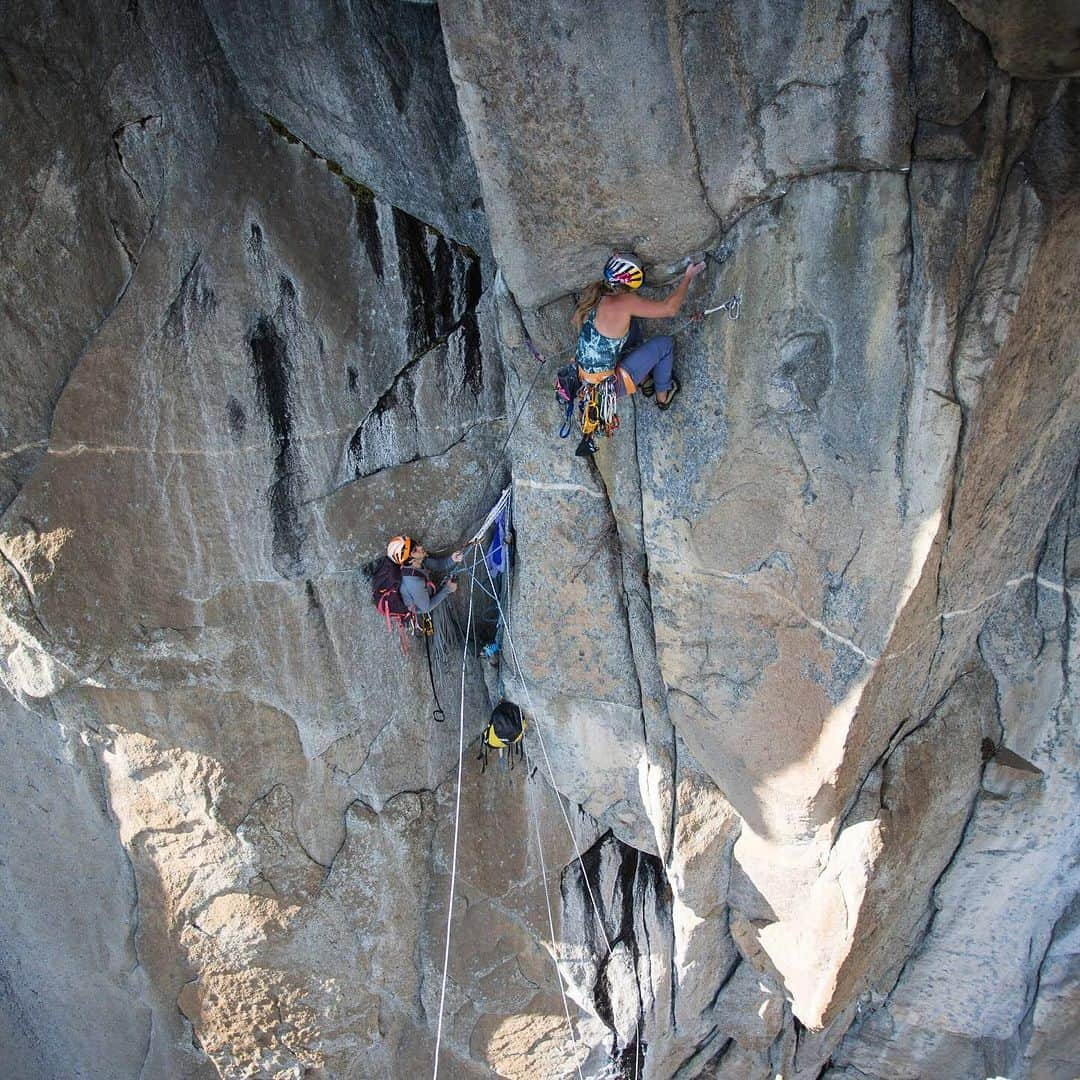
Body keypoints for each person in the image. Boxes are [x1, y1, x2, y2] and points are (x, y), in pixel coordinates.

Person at [572, 253, 706, 408]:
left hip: (587, 380)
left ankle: (645, 380)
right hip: (611, 386)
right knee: (665, 344)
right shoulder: (626, 302)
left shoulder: (594, 294)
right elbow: (670, 309)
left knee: (632, 326)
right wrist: (688, 276)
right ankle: (663, 396)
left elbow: (577, 321)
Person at [385, 535, 464, 615]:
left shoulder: (419, 560)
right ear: (411, 560)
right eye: (415, 550)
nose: (420, 547)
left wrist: (452, 559)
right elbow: (426, 607)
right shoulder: (414, 583)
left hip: (423, 593)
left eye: (416, 545)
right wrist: (447, 590)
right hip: (421, 605)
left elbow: (438, 565)